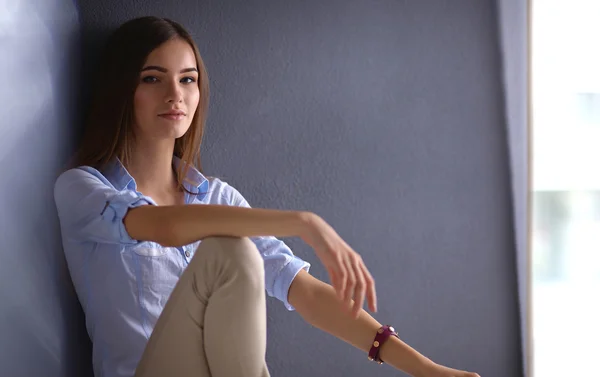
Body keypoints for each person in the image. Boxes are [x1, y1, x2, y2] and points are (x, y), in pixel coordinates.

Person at [54, 16, 481, 377]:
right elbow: (163, 227)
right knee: (232, 252)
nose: (176, 95)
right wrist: (304, 222)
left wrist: (426, 369)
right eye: (153, 78)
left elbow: (307, 293)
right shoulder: (84, 190)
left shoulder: (217, 196)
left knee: (237, 253)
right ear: (120, 90)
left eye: (188, 79)